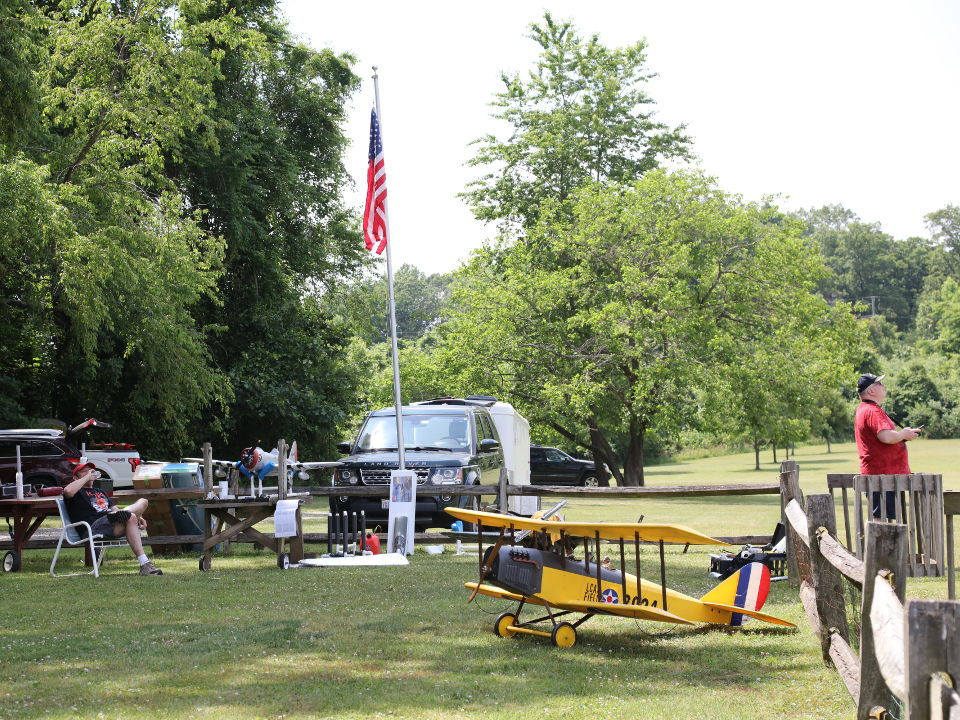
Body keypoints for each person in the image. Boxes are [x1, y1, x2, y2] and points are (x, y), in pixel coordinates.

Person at [62, 462, 163, 575]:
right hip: (93, 527)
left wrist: (138, 516)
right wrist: (87, 477)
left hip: (111, 521)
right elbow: (67, 491)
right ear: (76, 477)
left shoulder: (100, 492)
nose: (89, 473)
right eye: (84, 471)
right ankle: (128, 515)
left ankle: (145, 564)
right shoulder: (75, 492)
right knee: (129, 515)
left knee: (143, 502)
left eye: (91, 471)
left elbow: (114, 510)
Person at [854, 373, 922, 518]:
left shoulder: (865, 409)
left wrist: (903, 435)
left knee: (881, 518)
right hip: (883, 476)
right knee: (881, 520)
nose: (883, 385)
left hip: (881, 475)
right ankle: (878, 542)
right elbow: (885, 437)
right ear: (871, 391)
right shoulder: (872, 410)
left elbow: (885, 438)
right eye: (879, 383)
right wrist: (903, 434)